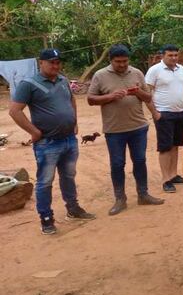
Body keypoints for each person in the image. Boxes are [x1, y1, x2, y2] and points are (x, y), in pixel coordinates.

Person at [8, 49, 96, 234]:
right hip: (47, 143)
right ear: (41, 63)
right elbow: (15, 111)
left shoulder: (63, 80)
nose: (55, 66)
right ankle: (46, 219)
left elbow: (71, 100)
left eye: (58, 62)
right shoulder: (29, 84)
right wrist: (34, 131)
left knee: (69, 177)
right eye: (51, 62)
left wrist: (75, 122)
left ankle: (73, 209)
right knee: (45, 182)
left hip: (69, 140)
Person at [87, 44, 165, 216]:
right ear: (111, 61)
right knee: (117, 164)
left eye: (125, 61)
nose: (122, 65)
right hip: (114, 130)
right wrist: (110, 97)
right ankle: (120, 199)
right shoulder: (100, 75)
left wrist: (138, 93)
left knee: (140, 161)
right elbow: (91, 99)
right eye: (118, 62)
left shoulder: (136, 73)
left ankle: (143, 195)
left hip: (138, 127)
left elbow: (148, 97)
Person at [145, 44, 183, 193]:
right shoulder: (154, 70)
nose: (174, 58)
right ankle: (166, 180)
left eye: (176, 55)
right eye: (170, 55)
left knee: (176, 145)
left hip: (180, 112)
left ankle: (173, 174)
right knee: (165, 147)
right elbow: (147, 93)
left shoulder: (182, 69)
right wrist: (155, 113)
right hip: (164, 113)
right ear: (162, 56)